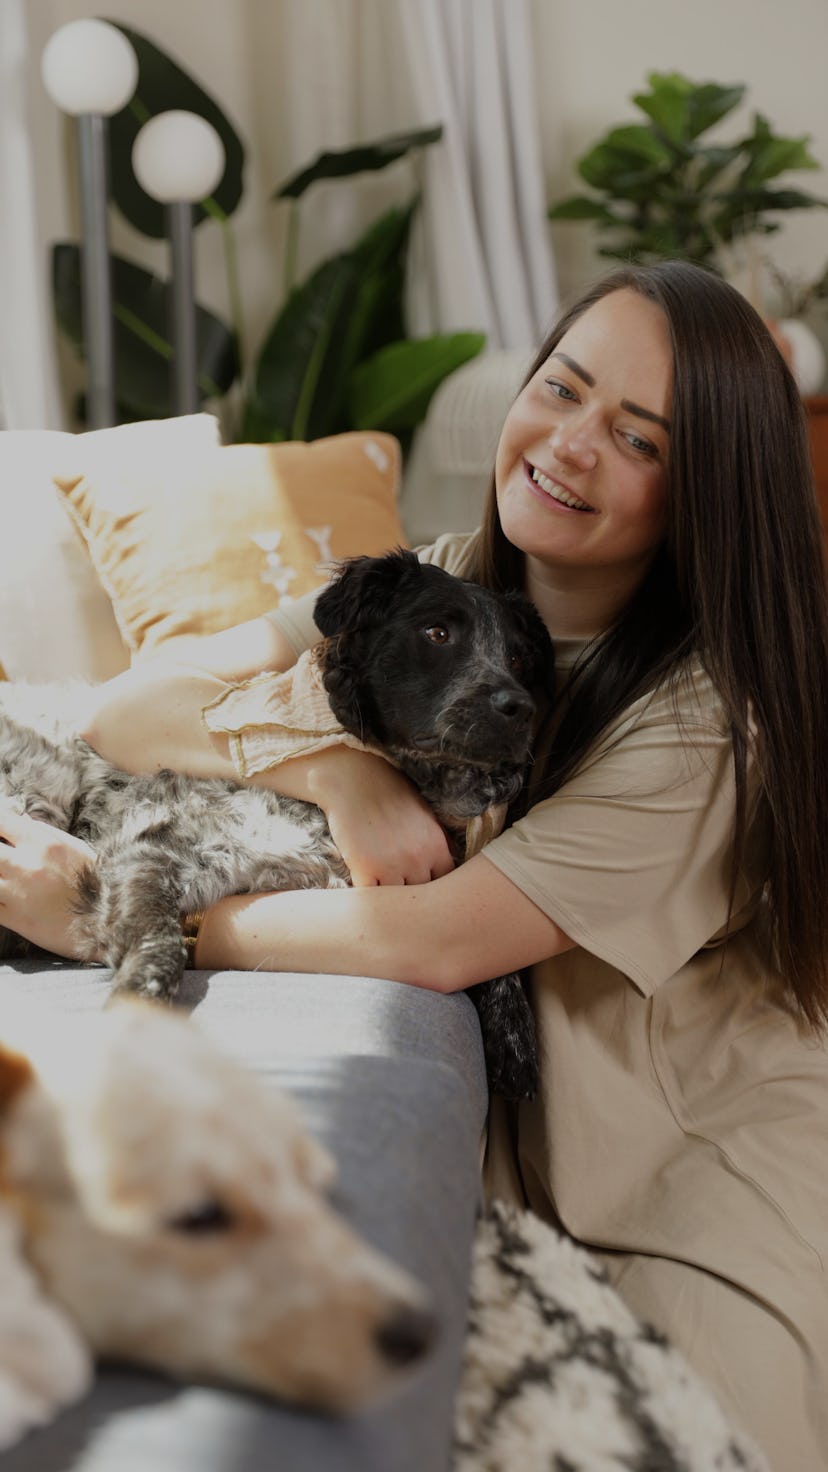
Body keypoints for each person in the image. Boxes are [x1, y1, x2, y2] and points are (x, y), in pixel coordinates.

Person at [2, 262, 827, 1469]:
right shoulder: (448, 581)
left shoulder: (710, 717)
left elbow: (438, 935)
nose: (570, 444)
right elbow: (133, 704)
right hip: (524, 1158)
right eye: (562, 387)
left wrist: (113, 922)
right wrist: (341, 773)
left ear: (705, 493)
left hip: (691, 1184)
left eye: (638, 436)